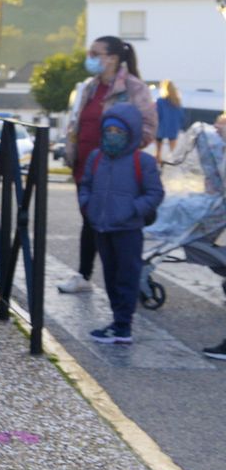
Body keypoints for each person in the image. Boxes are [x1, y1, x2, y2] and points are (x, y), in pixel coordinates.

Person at [59, 36, 157, 295]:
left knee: (107, 225)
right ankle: (88, 276)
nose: (89, 57)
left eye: (95, 53)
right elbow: (78, 122)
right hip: (85, 166)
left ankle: (121, 282)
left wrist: (122, 152)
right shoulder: (90, 87)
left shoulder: (134, 88)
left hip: (114, 169)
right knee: (89, 219)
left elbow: (148, 127)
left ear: (112, 58)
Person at [77, 103, 164, 344]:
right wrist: (88, 206)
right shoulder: (96, 158)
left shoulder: (142, 162)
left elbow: (155, 193)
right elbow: (85, 184)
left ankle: (123, 325)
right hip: (101, 228)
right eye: (109, 131)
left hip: (128, 230)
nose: (113, 136)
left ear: (131, 134)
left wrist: (132, 210)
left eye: (119, 132)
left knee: (127, 276)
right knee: (110, 276)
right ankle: (117, 321)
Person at [155, 80, 185, 164]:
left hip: (161, 127)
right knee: (173, 149)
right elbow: (181, 115)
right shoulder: (177, 101)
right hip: (173, 127)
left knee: (158, 145)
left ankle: (158, 160)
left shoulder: (160, 101)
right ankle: (172, 161)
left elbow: (157, 114)